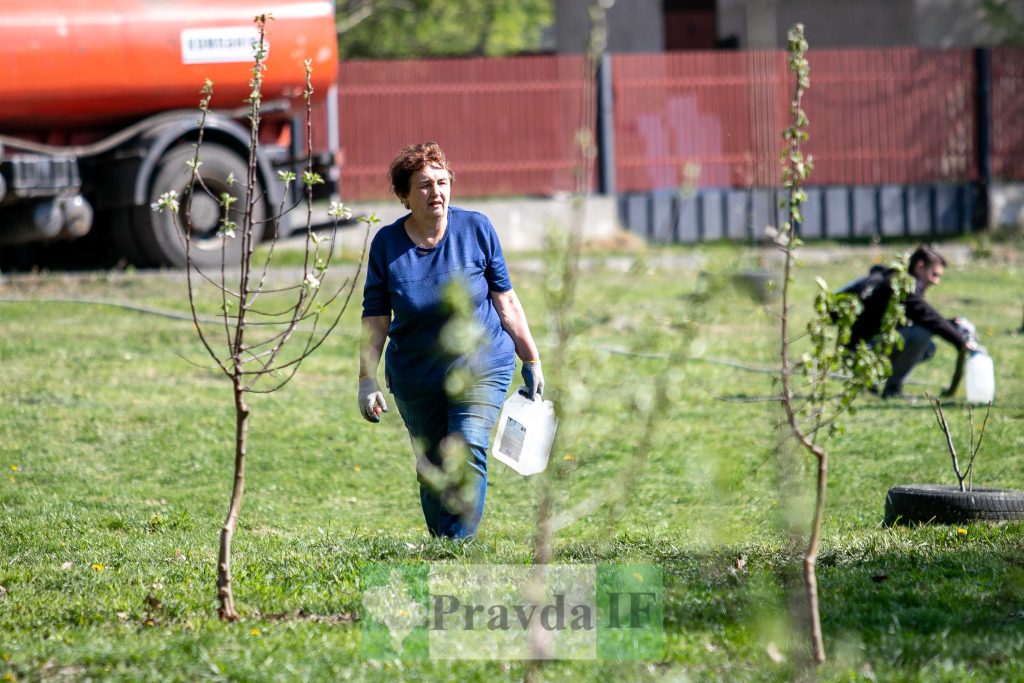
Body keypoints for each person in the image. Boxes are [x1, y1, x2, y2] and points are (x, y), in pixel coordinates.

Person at [357, 141, 544, 540]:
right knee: (432, 466)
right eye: (424, 185)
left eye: (442, 182)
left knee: (468, 445)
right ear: (404, 196)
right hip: (416, 374)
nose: (436, 192)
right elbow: (375, 317)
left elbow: (505, 299)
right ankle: (443, 543)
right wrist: (366, 379)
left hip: (482, 362)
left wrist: (531, 358)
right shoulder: (387, 246)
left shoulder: (476, 229)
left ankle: (458, 548)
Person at [848, 244, 976, 399]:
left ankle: (873, 380)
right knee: (921, 335)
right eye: (934, 274)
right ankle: (891, 389)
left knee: (928, 348)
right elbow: (927, 316)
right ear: (920, 266)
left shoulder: (899, 280)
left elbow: (918, 316)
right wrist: (959, 340)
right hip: (860, 351)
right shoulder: (902, 285)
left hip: (868, 347)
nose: (936, 282)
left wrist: (950, 324)